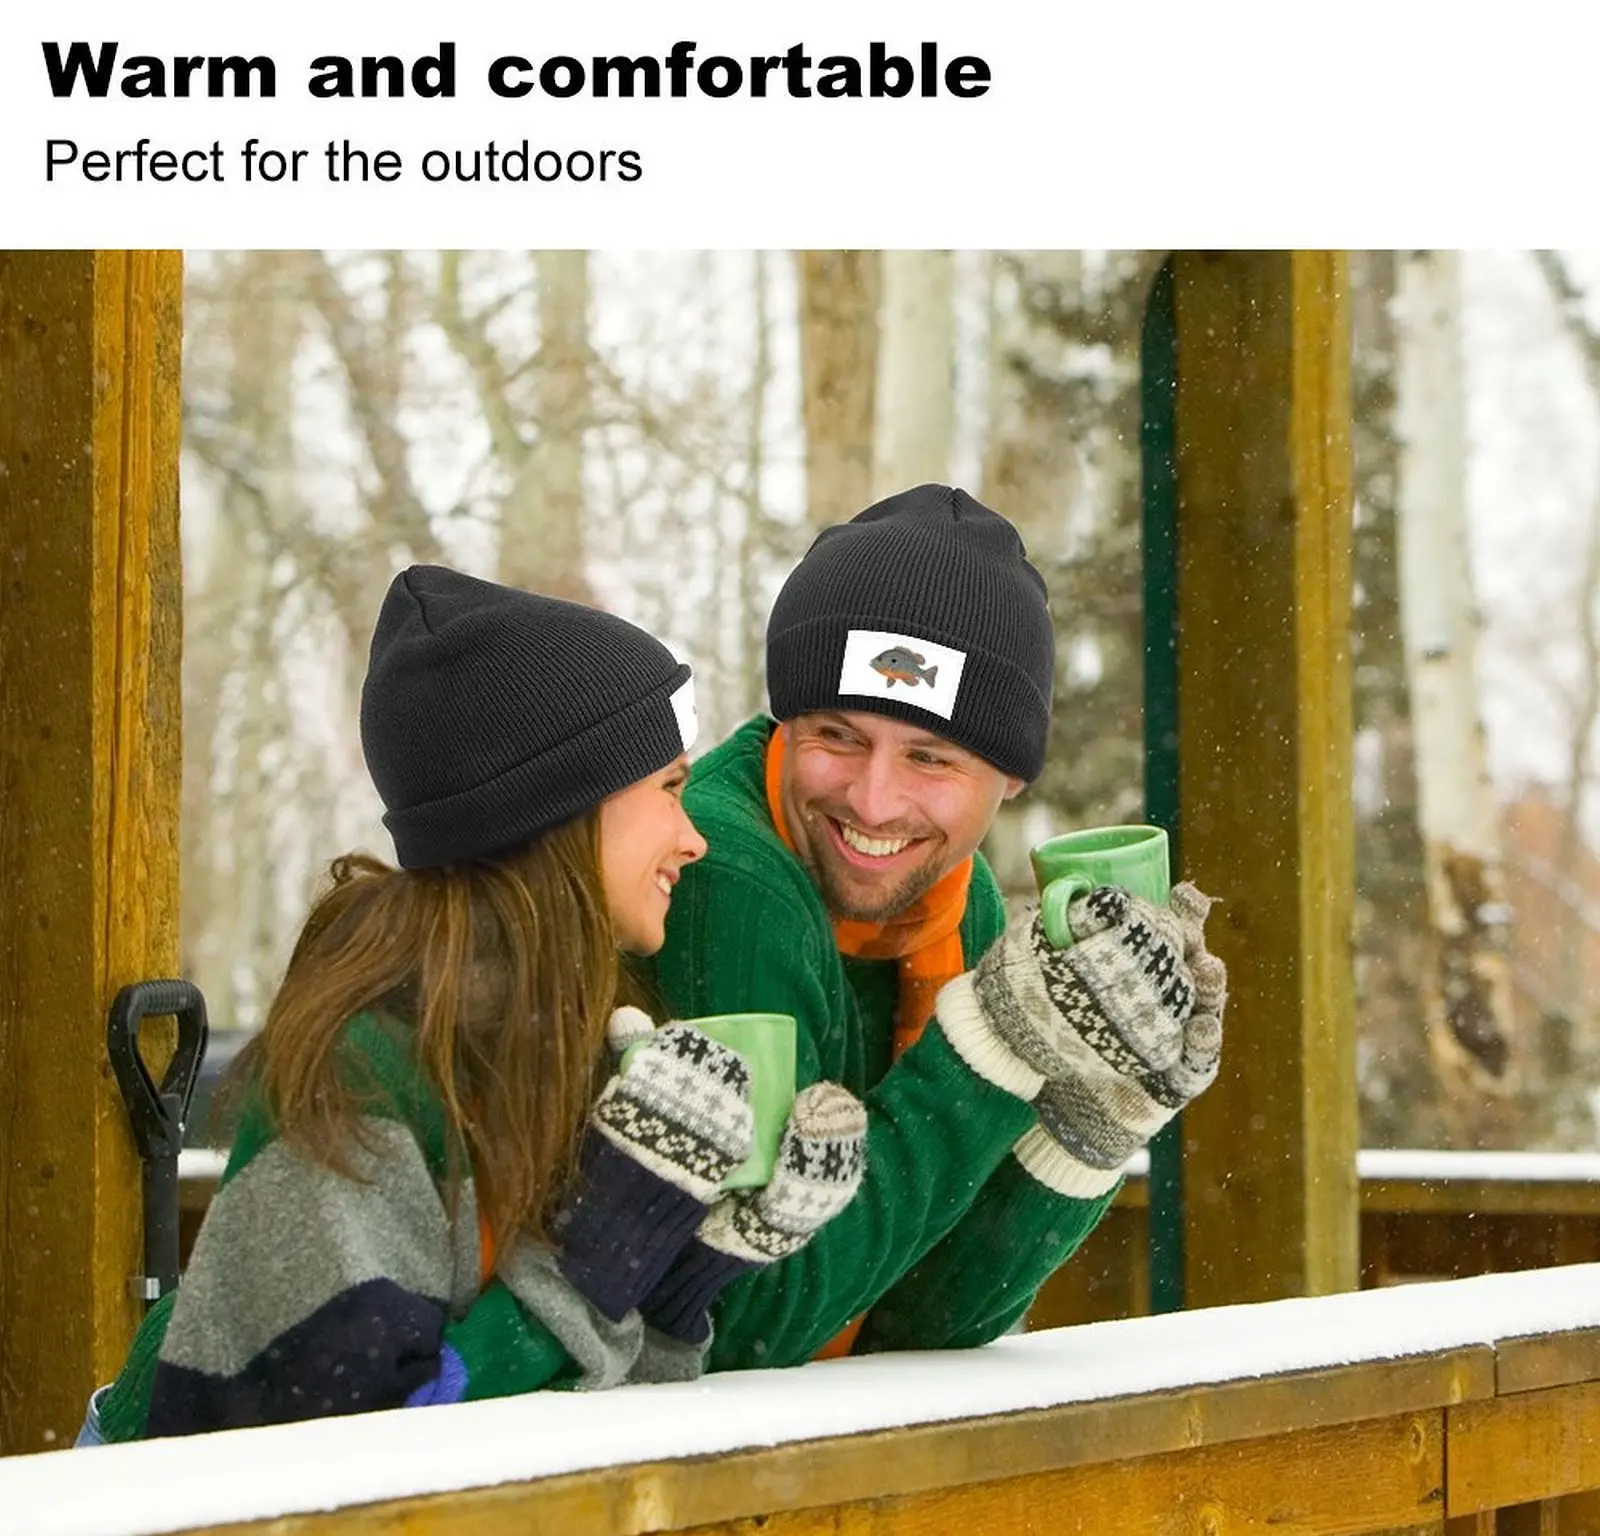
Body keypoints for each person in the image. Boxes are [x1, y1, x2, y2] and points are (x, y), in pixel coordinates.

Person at [79, 565, 866, 1443]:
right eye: (670, 790)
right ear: (559, 809)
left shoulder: (563, 1034)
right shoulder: (362, 1067)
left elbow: (562, 1415)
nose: (694, 838)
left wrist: (684, 1275)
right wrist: (589, 1268)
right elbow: (346, 1454)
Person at [639, 483, 1227, 1368]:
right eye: (837, 735)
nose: (874, 800)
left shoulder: (954, 901)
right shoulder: (727, 876)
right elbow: (751, 1319)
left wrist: (1091, 1115)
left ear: (1012, 779)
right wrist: (988, 1048)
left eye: (930, 757)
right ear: (785, 724)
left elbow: (926, 1316)